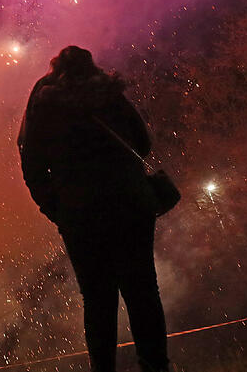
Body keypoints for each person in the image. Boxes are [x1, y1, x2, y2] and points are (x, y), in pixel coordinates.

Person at [18, 46, 170, 372]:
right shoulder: (111, 94)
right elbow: (142, 142)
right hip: (130, 203)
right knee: (143, 290)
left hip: (80, 213)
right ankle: (155, 367)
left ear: (56, 69)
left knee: (97, 300)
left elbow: (31, 164)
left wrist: (56, 209)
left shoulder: (44, 105)